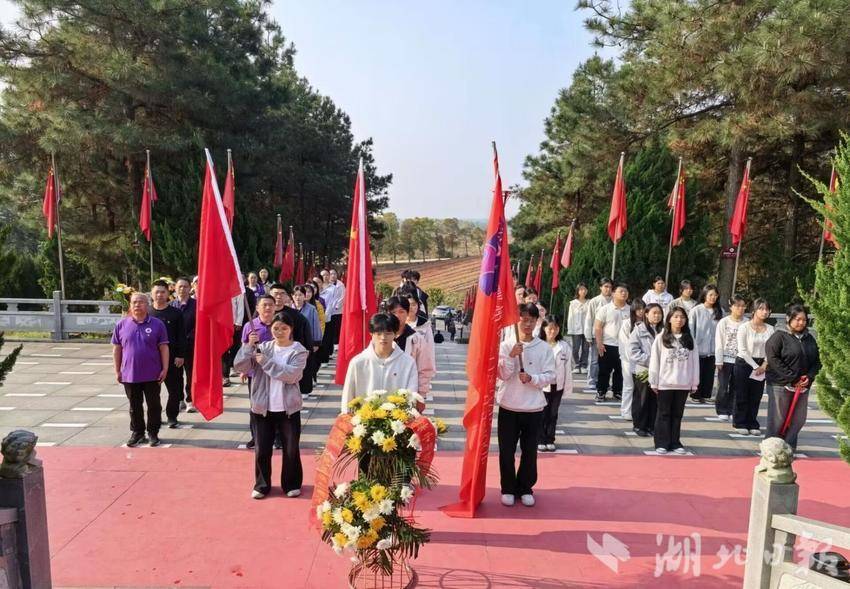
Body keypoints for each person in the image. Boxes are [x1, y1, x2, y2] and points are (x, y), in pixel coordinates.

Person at [234, 313, 308, 500]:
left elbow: (291, 375)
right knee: (262, 449)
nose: (280, 332)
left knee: (291, 448)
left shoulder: (298, 351)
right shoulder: (262, 348)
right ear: (270, 329)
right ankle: (262, 485)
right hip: (262, 407)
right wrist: (247, 346)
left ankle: (291, 484)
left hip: (288, 409)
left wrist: (265, 362)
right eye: (276, 328)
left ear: (291, 330)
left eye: (284, 328)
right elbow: (240, 366)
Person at [497, 303, 555, 507]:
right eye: (523, 320)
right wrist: (512, 356)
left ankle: (525, 487)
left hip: (533, 408)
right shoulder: (507, 345)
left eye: (532, 320)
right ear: (517, 320)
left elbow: (550, 376)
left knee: (529, 451)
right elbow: (502, 375)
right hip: (509, 406)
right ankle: (508, 488)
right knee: (507, 450)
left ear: (537, 321)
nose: (527, 324)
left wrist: (532, 378)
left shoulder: (544, 347)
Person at [111, 293, 169, 447]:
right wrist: (117, 371)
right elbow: (117, 349)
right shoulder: (122, 325)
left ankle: (153, 432)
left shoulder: (157, 324)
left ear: (147, 304)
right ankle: (137, 432)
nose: (137, 305)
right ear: (130, 305)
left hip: (152, 373)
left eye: (141, 302)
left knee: (154, 405)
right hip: (130, 374)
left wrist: (165, 368)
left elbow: (164, 347)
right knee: (134, 406)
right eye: (134, 302)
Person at [765, 304, 821, 452]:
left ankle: (789, 447)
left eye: (804, 319)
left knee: (798, 419)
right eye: (797, 319)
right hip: (780, 384)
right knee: (778, 419)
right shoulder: (779, 336)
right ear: (789, 319)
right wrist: (792, 377)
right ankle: (772, 449)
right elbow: (773, 359)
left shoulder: (809, 338)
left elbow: (817, 361)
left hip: (802, 386)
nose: (801, 322)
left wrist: (809, 376)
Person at [340, 314, 419, 412]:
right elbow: (348, 395)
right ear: (371, 334)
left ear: (395, 334)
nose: (383, 337)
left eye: (388, 333)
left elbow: (412, 396)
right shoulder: (358, 362)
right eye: (378, 333)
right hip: (363, 421)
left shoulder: (408, 363)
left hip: (398, 422)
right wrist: (346, 417)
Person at [649, 306, 699, 454]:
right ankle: (662, 442)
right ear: (669, 319)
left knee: (677, 414)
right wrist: (654, 381)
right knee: (663, 413)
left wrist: (694, 382)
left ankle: (675, 442)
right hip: (665, 383)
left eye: (682, 317)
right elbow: (654, 361)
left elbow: (695, 362)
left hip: (683, 384)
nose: (679, 320)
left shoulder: (689, 339)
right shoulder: (661, 338)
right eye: (676, 316)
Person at [733, 298, 774, 436]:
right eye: (761, 309)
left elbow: (771, 350)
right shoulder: (744, 327)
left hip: (763, 364)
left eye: (766, 309)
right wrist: (756, 366)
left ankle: (752, 422)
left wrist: (764, 365)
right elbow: (742, 350)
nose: (764, 312)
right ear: (754, 310)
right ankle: (740, 422)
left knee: (756, 395)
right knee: (742, 394)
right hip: (744, 363)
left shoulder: (770, 329)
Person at [149, 280, 187, 429]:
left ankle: (172, 416)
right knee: (153, 392)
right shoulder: (147, 313)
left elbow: (181, 336)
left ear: (168, 293)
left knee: (175, 390)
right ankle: (156, 418)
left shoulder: (175, 313)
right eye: (156, 292)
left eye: (163, 292)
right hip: (152, 360)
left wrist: (180, 355)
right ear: (152, 294)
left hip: (172, 358)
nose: (159, 295)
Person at [240, 295, 276, 449]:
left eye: (270, 305)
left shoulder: (280, 324)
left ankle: (277, 437)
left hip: (275, 371)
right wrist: (244, 369)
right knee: (256, 405)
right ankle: (256, 436)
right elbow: (243, 349)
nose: (267, 308)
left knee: (276, 405)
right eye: (264, 305)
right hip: (255, 373)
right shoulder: (250, 326)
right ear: (257, 308)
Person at [387, 296, 435, 397]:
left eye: (401, 312)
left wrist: (422, 393)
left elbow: (425, 369)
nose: (397, 316)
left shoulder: (416, 339)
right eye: (394, 312)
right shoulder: (381, 337)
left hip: (407, 390)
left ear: (408, 313)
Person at [536, 315, 572, 453]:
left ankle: (550, 439)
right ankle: (540, 439)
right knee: (542, 413)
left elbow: (568, 368)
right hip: (542, 385)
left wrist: (567, 388)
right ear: (544, 328)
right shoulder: (538, 345)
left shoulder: (564, 346)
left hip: (558, 385)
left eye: (555, 328)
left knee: (553, 413)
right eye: (550, 328)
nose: (553, 331)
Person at [629, 303, 663, 437]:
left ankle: (651, 425)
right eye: (654, 313)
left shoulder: (664, 331)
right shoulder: (638, 330)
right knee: (642, 398)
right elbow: (633, 351)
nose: (657, 315)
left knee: (655, 399)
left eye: (659, 313)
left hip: (660, 370)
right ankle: (639, 425)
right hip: (643, 369)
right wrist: (651, 361)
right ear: (646, 314)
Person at [593, 282, 629, 403]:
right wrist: (599, 343)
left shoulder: (630, 310)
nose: (624, 293)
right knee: (604, 370)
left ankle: (617, 391)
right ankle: (601, 391)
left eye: (626, 292)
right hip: (607, 345)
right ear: (613, 293)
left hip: (624, 346)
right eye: (621, 291)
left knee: (620, 370)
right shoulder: (605, 309)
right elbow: (598, 327)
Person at [688, 285, 723, 403]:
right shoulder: (696, 310)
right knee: (698, 372)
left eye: (715, 295)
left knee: (709, 373)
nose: (713, 297)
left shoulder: (720, 311)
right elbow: (690, 329)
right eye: (710, 295)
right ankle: (695, 395)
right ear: (704, 295)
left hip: (714, 349)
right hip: (698, 348)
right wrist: (692, 345)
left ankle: (706, 395)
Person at [714, 295, 746, 421]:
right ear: (731, 307)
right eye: (737, 306)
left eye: (743, 306)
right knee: (723, 386)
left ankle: (733, 409)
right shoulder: (724, 322)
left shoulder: (747, 322)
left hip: (740, 359)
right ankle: (722, 409)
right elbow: (719, 342)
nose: (740, 309)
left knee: (737, 386)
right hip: (726, 359)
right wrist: (719, 359)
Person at [400, 291, 437, 397]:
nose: (411, 308)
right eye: (408, 305)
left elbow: (429, 351)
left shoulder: (424, 325)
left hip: (417, 369)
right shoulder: (396, 325)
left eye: (414, 304)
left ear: (418, 306)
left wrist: (424, 384)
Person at [170, 276, 196, 413]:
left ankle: (190, 399)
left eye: (185, 286)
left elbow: (199, 325)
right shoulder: (171, 305)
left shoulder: (196, 305)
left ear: (190, 288)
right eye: (180, 286)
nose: (182, 289)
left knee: (191, 373)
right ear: (175, 288)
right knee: (176, 374)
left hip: (191, 345)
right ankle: (179, 399)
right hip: (175, 347)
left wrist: (186, 338)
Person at [583, 278, 613, 391]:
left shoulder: (614, 300)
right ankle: (592, 380)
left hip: (611, 337)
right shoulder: (594, 301)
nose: (608, 289)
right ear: (600, 287)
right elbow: (589, 319)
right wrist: (588, 335)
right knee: (595, 359)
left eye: (610, 287)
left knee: (607, 361)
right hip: (597, 335)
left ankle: (604, 381)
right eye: (605, 286)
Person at [292, 285, 322, 397]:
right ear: (292, 296)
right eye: (295, 295)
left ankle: (305, 390)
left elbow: (316, 325)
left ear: (305, 296)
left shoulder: (311, 309)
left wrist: (316, 342)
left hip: (306, 341)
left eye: (300, 295)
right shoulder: (289, 309)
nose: (298, 297)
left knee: (306, 366)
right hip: (292, 341)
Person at [618, 299, 645, 419]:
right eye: (638, 309)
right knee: (629, 386)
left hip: (642, 361)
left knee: (640, 388)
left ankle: (638, 411)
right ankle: (626, 411)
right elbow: (624, 343)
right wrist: (630, 358)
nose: (641, 312)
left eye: (643, 309)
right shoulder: (627, 323)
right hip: (628, 360)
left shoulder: (646, 323)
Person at [320, 268, 345, 359]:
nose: (326, 277)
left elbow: (339, 298)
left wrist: (334, 308)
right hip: (320, 313)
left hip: (333, 312)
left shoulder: (337, 286)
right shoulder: (319, 286)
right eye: (324, 275)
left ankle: (328, 352)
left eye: (328, 275)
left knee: (331, 332)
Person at [566, 283, 589, 374]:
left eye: (585, 289)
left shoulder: (590, 302)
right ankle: (576, 365)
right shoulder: (573, 303)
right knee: (575, 348)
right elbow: (570, 317)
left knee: (586, 348)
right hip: (576, 329)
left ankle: (584, 365)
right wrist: (570, 329)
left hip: (587, 328)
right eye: (581, 289)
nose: (583, 291)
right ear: (578, 291)